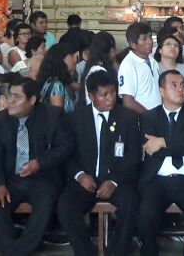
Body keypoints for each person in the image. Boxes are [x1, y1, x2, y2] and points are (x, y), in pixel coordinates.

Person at [0, 75, 74, 254]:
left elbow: (65, 147)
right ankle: (11, 250)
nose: (10, 101)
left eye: (17, 97)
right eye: (9, 95)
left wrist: (40, 163)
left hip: (42, 177)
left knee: (45, 204)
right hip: (11, 179)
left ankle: (20, 250)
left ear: (32, 100)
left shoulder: (52, 116)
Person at [57, 70, 141, 256]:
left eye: (113, 92)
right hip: (85, 179)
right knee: (65, 207)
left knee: (131, 203)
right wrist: (79, 176)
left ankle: (117, 251)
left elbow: (133, 155)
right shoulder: (76, 119)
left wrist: (114, 181)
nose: (111, 98)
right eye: (104, 95)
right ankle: (86, 251)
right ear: (91, 96)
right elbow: (66, 154)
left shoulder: (127, 117)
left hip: (117, 179)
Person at [138, 70, 184, 256]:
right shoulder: (149, 117)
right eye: (174, 85)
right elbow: (151, 147)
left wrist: (162, 142)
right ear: (161, 91)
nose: (180, 89)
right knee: (145, 217)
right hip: (158, 180)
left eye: (183, 85)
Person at [117, 22, 160, 113]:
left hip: (157, 116)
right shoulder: (128, 65)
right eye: (144, 39)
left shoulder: (153, 62)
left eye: (150, 37)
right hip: (141, 118)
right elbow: (128, 102)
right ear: (133, 44)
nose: (150, 41)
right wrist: (149, 116)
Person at [38, 43, 79, 113]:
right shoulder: (56, 85)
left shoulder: (54, 80)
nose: (75, 60)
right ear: (62, 60)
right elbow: (57, 115)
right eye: (71, 56)